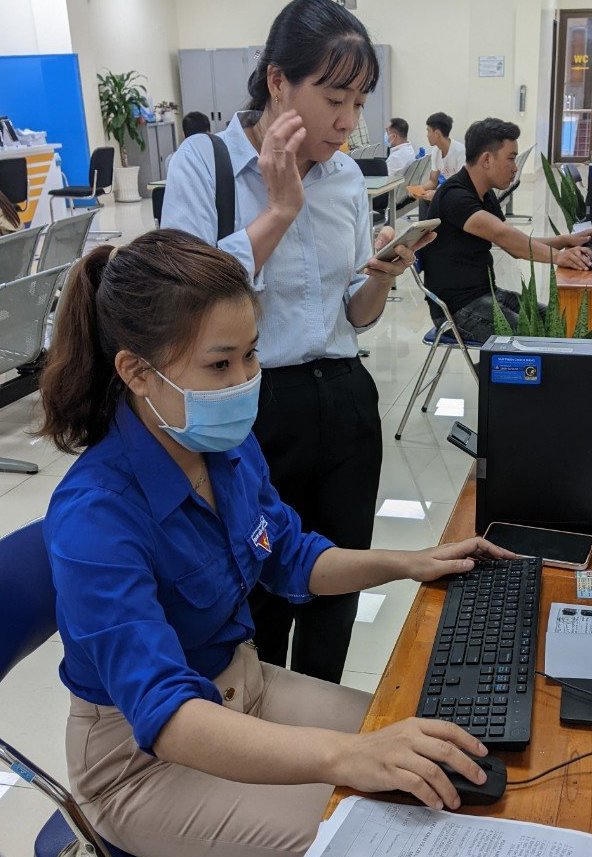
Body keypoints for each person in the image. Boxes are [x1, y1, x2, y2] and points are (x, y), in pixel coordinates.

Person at [38, 229, 509, 857]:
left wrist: (410, 562)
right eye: (220, 364)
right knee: (385, 834)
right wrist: (347, 755)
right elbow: (167, 715)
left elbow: (290, 555)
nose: (244, 381)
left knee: (440, 762)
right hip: (145, 762)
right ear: (137, 372)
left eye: (251, 355)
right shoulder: (96, 516)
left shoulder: (223, 449)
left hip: (247, 688)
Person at [162, 0, 433, 682]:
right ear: (278, 82)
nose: (348, 121)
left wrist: (380, 278)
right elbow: (187, 301)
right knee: (258, 591)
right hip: (250, 408)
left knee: (338, 587)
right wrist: (281, 209)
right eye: (334, 99)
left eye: (359, 103)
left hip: (344, 399)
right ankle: (260, 723)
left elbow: (352, 314)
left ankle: (322, 717)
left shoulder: (344, 178)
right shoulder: (206, 164)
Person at [422, 117, 592, 342]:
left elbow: (514, 244)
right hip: (456, 310)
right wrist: (559, 257)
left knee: (559, 320)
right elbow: (503, 235)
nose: (515, 167)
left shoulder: (484, 193)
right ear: (487, 159)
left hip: (487, 294)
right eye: (511, 158)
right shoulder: (455, 196)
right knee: (535, 336)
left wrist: (566, 240)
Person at [420, 111, 466, 201]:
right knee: (424, 199)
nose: (427, 135)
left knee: (434, 200)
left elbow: (462, 187)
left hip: (462, 194)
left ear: (437, 134)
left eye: (428, 131)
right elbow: (433, 182)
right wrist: (418, 189)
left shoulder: (460, 152)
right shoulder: (435, 151)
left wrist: (437, 194)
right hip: (450, 191)